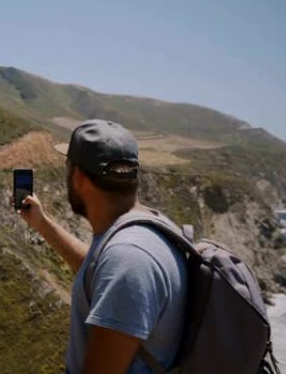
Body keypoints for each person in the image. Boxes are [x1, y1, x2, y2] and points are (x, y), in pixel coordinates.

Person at [17, 120, 187, 374]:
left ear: (78, 177)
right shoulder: (147, 230)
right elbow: (99, 271)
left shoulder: (128, 260)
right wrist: (42, 224)